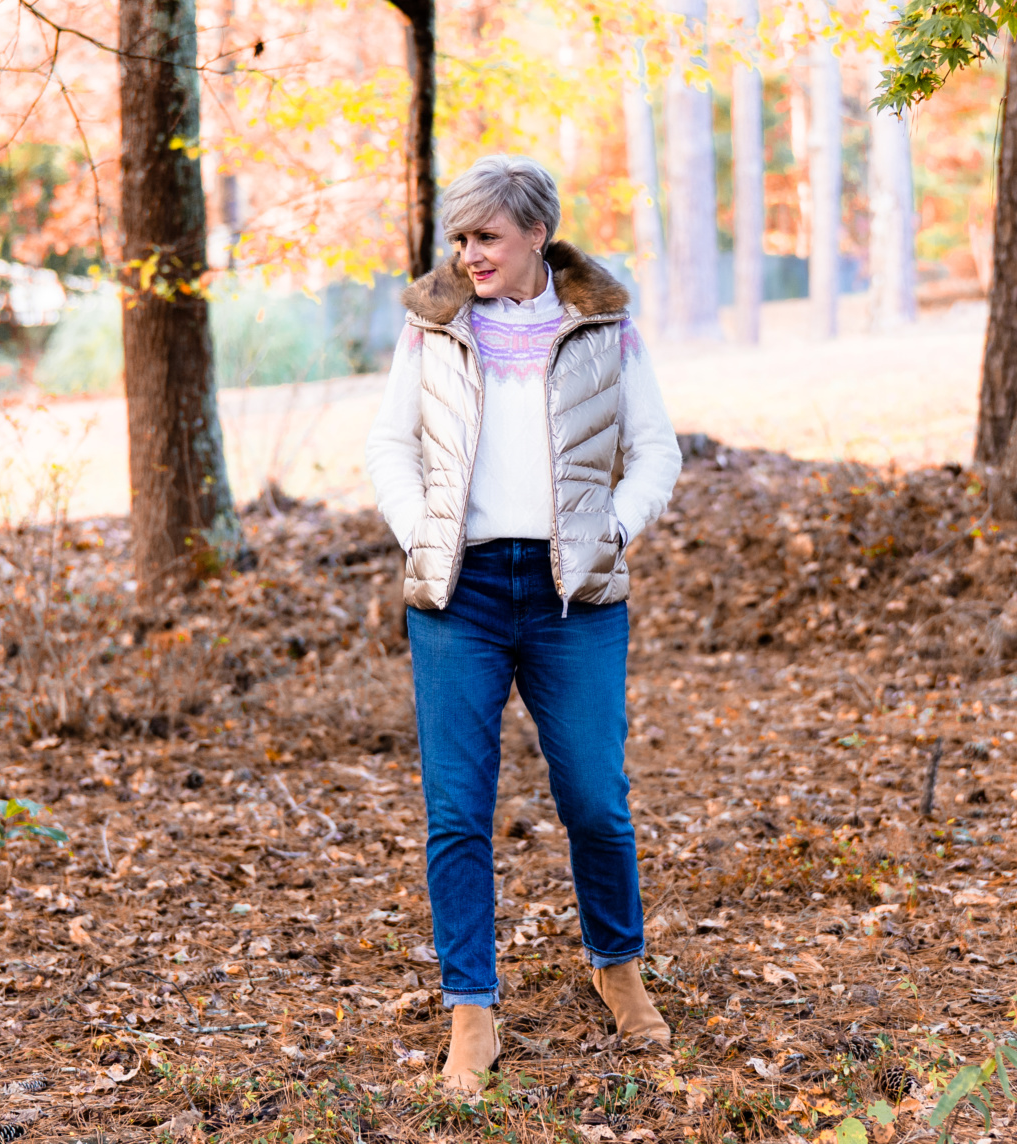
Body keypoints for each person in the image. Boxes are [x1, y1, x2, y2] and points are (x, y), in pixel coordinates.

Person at [365, 154, 682, 1092]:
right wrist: (418, 530)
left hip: (571, 599)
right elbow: (390, 445)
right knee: (457, 813)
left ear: (537, 233)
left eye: (487, 237)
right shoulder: (430, 329)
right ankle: (471, 1009)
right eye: (460, 238)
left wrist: (612, 530)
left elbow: (654, 448)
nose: (469, 254)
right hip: (458, 600)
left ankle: (616, 968)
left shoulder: (605, 327)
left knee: (596, 798)